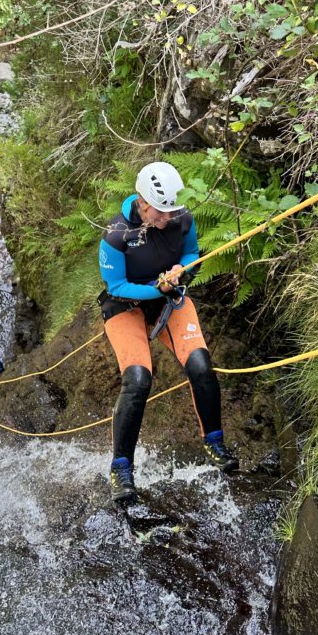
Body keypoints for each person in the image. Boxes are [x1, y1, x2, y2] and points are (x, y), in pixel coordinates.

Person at [99, 160, 238, 503]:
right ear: (141, 202)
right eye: (159, 213)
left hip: (168, 298)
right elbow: (116, 285)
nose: (166, 220)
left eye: (170, 213)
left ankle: (215, 444)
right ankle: (121, 468)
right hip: (126, 305)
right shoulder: (116, 235)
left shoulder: (182, 218)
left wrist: (182, 269)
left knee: (201, 365)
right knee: (137, 379)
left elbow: (192, 253)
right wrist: (155, 290)